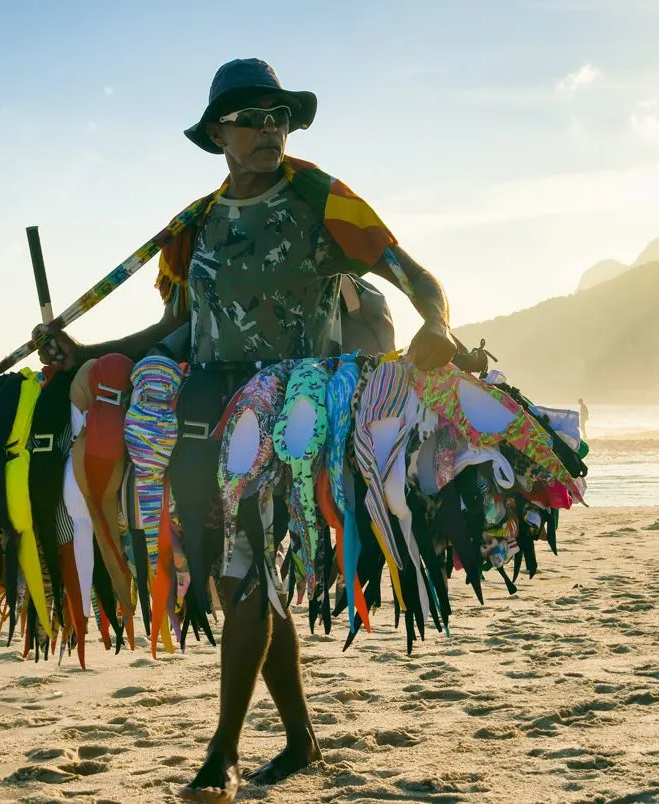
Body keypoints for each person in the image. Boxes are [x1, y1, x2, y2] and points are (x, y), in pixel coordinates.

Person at [37, 58, 457, 803]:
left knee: (249, 563)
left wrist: (437, 325)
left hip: (294, 408)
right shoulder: (195, 223)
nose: (271, 129)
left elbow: (413, 273)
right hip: (207, 408)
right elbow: (178, 326)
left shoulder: (322, 198)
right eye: (253, 117)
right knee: (241, 580)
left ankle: (220, 757)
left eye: (280, 116)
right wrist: (91, 354)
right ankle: (299, 740)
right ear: (217, 133)